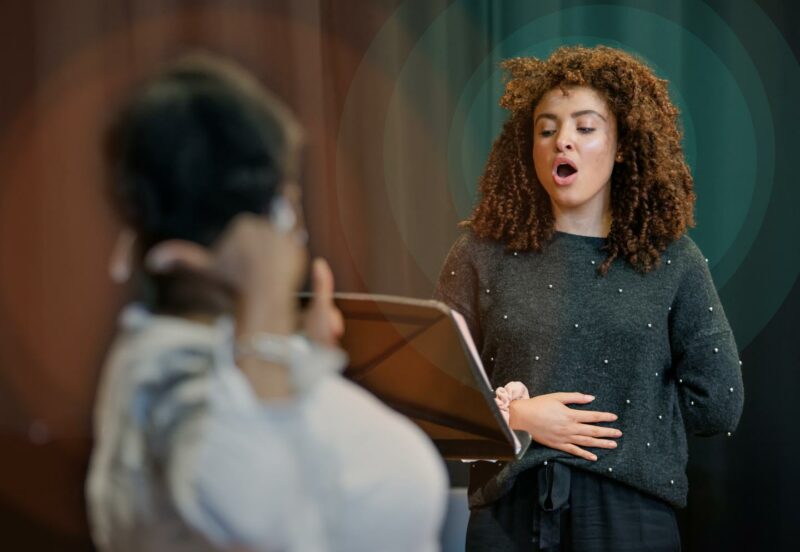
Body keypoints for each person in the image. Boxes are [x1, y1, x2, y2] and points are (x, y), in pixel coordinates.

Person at [86, 54, 447, 552]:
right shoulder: (174, 375)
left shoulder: (187, 352)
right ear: (272, 217)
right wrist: (267, 305)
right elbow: (261, 517)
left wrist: (305, 352)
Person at [434, 45, 744, 551]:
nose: (563, 142)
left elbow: (719, 404)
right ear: (529, 144)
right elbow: (435, 389)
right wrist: (517, 418)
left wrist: (621, 425)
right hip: (506, 516)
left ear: (621, 144)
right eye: (547, 128)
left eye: (585, 127)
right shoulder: (478, 254)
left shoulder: (672, 260)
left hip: (630, 517)